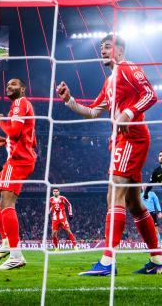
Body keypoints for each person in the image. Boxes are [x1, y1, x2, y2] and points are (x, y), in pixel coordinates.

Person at [57, 34, 161, 275]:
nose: (102, 51)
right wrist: (69, 100)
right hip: (121, 140)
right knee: (135, 204)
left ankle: (107, 261)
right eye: (101, 47)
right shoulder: (109, 81)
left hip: (131, 137)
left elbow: (150, 95)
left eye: (107, 47)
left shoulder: (127, 67)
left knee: (113, 192)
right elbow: (93, 111)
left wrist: (129, 113)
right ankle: (157, 260)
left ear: (120, 50)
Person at [0, 78, 37, 271]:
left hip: (18, 161)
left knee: (6, 202)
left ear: (22, 89)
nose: (8, 86)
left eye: (14, 84)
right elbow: (25, 136)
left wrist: (0, 123)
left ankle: (15, 255)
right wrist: (5, 141)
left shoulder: (20, 103)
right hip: (16, 159)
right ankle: (6, 241)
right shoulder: (21, 105)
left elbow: (14, 132)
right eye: (7, 84)